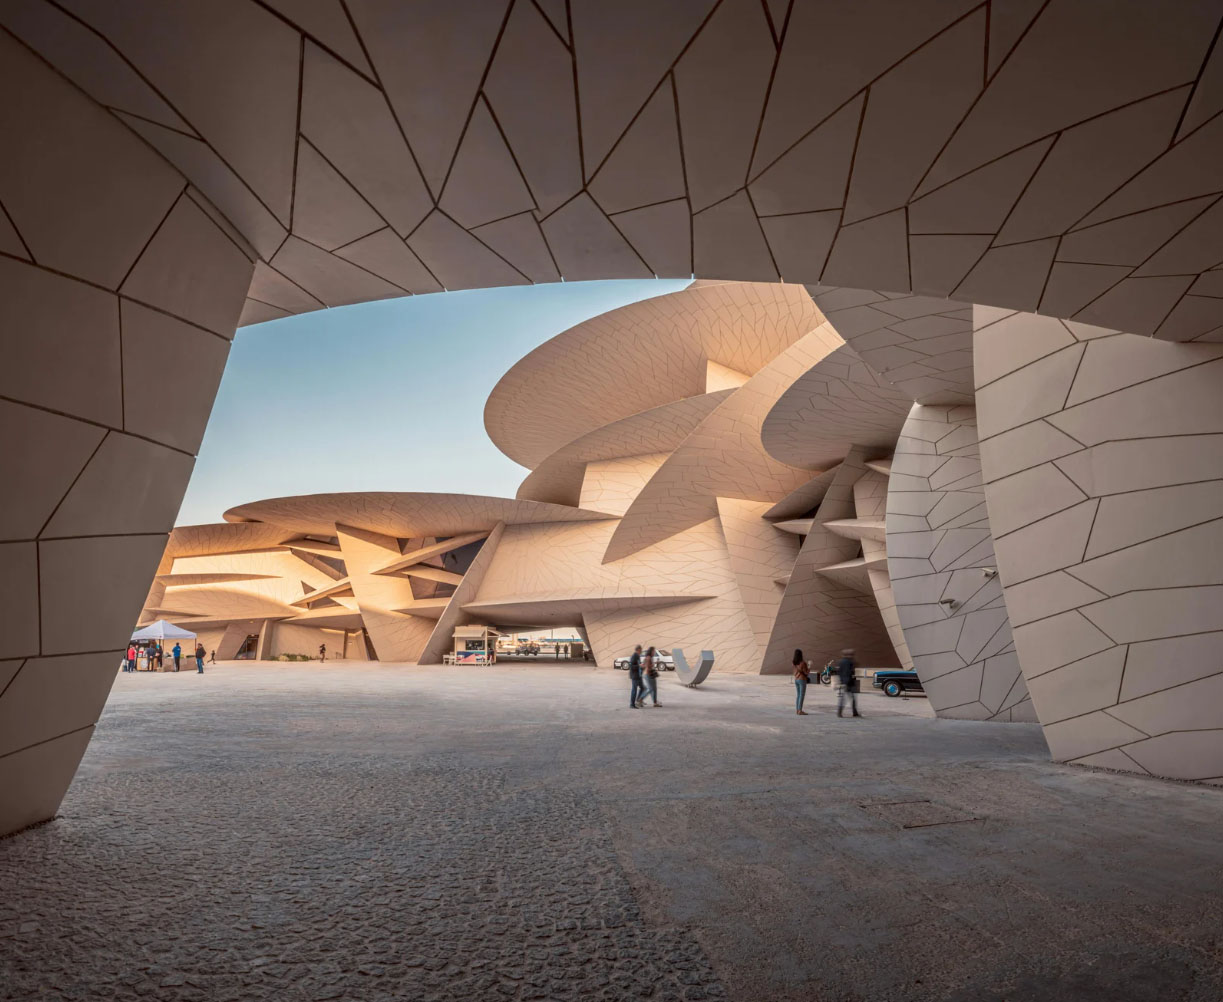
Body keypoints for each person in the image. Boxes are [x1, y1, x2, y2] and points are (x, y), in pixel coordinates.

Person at [836, 649, 861, 718]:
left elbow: (839, 672)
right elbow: (849, 672)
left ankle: (840, 712)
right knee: (851, 698)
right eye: (851, 654)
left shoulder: (840, 662)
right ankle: (854, 712)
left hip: (843, 682)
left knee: (844, 698)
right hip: (849, 682)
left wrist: (841, 681)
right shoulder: (850, 662)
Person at [792, 649, 810, 714]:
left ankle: (797, 710)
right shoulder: (803, 663)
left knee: (798, 695)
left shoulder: (793, 663)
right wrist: (809, 667)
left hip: (796, 679)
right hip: (802, 680)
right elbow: (806, 673)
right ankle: (800, 710)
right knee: (801, 695)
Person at [627, 644, 645, 709]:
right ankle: (632, 704)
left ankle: (638, 700)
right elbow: (631, 666)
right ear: (638, 650)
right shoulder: (634, 656)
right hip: (635, 676)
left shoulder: (638, 656)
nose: (641, 651)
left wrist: (642, 667)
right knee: (634, 690)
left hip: (639, 676)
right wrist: (639, 666)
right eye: (641, 650)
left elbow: (639, 665)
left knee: (643, 688)